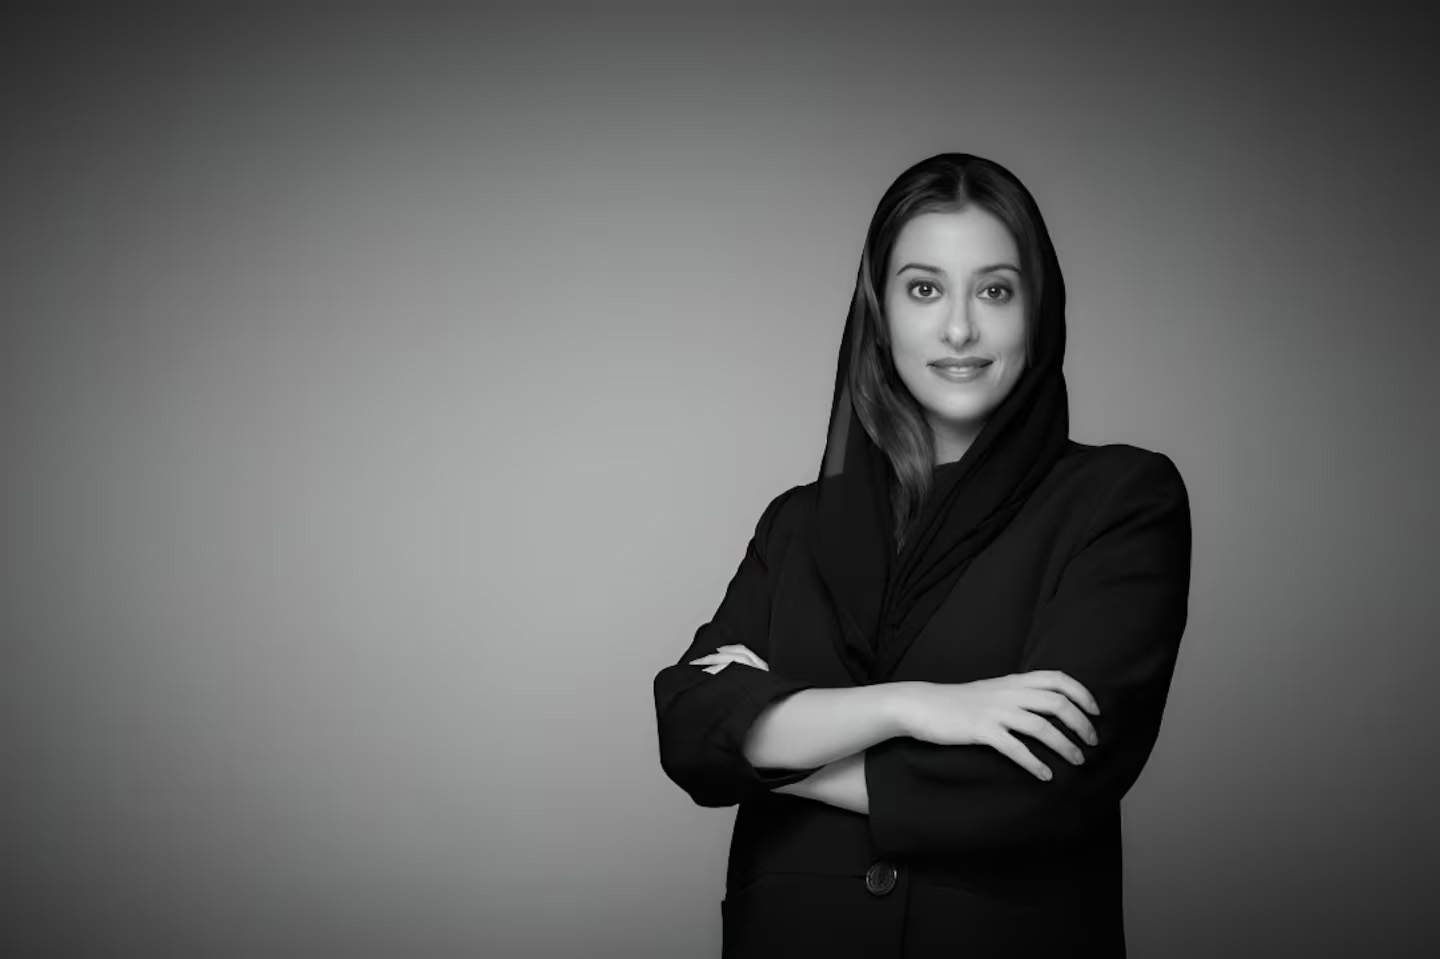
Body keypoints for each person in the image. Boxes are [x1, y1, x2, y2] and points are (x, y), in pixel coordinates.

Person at [652, 152, 1192, 959]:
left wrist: (778, 752)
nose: (960, 329)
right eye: (925, 289)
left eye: (995, 290)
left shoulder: (1119, 499)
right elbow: (688, 722)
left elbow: (1041, 776)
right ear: (880, 313)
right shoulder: (797, 523)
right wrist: (914, 707)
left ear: (1039, 311)